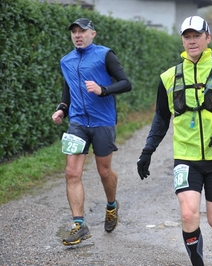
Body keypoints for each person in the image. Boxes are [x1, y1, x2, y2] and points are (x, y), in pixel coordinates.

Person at [136, 16, 212, 265]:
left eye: (197, 36)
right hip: (185, 156)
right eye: (187, 36)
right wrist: (147, 150)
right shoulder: (168, 77)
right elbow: (161, 117)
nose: (191, 41)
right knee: (188, 213)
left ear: (207, 38)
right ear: (182, 40)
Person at [52, 18, 132, 246]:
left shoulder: (105, 55)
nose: (77, 35)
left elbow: (126, 83)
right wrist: (61, 109)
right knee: (71, 173)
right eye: (74, 32)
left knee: (104, 171)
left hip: (103, 122)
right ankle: (79, 224)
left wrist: (103, 89)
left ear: (93, 34)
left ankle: (111, 205)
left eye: (82, 31)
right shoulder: (66, 61)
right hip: (77, 124)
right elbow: (67, 92)